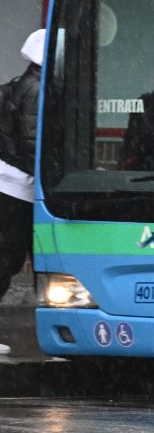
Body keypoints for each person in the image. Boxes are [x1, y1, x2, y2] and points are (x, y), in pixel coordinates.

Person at [0, 29, 44, 356]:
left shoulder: (22, 83)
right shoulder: (37, 90)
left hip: (10, 183)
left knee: (10, 257)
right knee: (10, 258)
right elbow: (32, 145)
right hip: (20, 188)